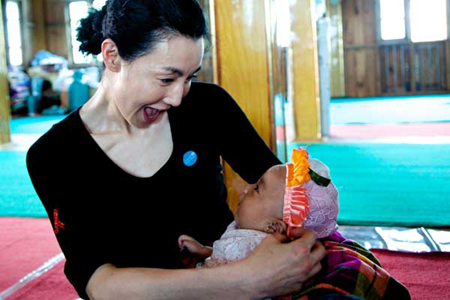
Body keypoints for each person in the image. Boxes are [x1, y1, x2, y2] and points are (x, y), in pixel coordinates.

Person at [26, 1, 327, 299]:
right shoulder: (55, 154)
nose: (178, 97)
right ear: (113, 56)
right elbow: (100, 283)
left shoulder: (209, 106)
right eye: (167, 79)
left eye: (190, 77)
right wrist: (244, 281)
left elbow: (285, 196)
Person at [179, 148, 411, 299]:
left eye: (257, 189)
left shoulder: (263, 248)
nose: (246, 188)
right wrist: (204, 251)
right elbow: (226, 251)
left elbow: (234, 273)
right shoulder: (242, 229)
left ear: (275, 226)